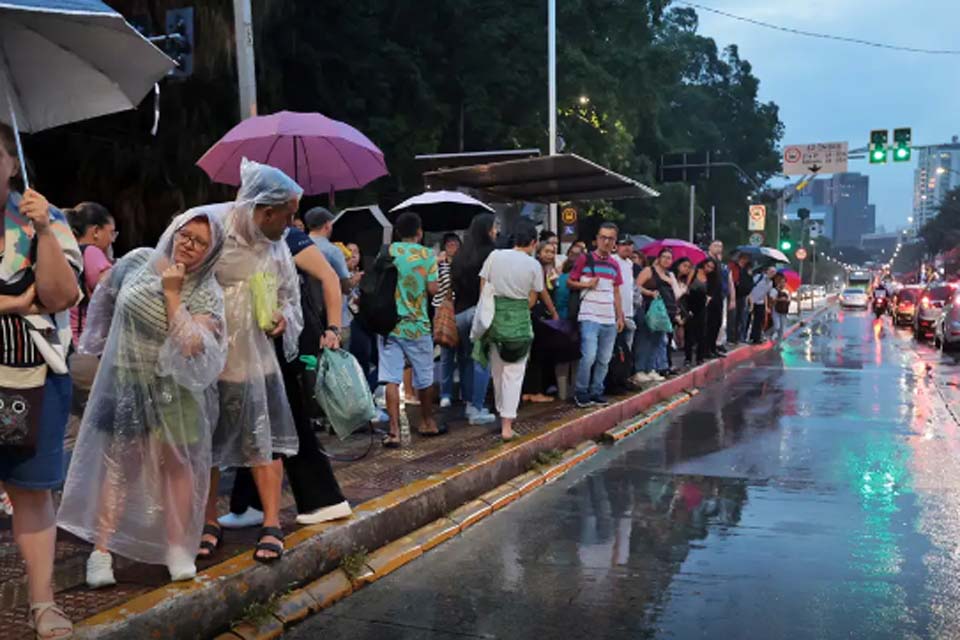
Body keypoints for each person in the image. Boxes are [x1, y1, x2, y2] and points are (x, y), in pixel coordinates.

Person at [58, 207, 226, 587]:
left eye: (201, 242)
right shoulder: (136, 260)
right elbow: (102, 299)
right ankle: (101, 551)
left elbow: (189, 345)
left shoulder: (206, 290)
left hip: (174, 387)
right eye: (186, 234)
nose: (189, 244)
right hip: (127, 378)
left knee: (177, 465)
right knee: (119, 463)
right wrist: (95, 346)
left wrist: (172, 295)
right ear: (174, 229)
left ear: (211, 252)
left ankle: (177, 547)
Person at [198, 159, 305, 565]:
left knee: (263, 441)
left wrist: (283, 320)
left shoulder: (277, 248)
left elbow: (291, 300)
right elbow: (181, 279)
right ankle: (207, 521)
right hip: (210, 363)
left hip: (256, 364)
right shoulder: (213, 228)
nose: (291, 225)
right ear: (266, 211)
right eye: (289, 216)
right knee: (204, 446)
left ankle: (272, 523)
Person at [0, 123, 82, 639]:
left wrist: (46, 230)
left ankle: (42, 602)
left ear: (12, 163)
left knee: (30, 492)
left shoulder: (40, 219)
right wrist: (13, 301)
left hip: (28, 377)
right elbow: (29, 300)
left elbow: (59, 297)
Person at [221, 223, 352, 530]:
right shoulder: (255, 239)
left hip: (285, 342)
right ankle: (248, 502)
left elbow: (330, 277)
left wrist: (333, 328)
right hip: (259, 343)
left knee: (286, 417)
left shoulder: (289, 237)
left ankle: (324, 499)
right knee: (258, 419)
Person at [473, 220, 543, 440]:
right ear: (533, 242)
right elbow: (533, 299)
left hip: (495, 322)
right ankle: (507, 425)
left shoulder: (495, 256)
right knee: (514, 375)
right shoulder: (534, 265)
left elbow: (483, 287)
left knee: (497, 372)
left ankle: (501, 415)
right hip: (520, 324)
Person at [379, 211, 442, 448]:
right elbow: (434, 289)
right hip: (417, 324)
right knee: (424, 376)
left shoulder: (388, 251)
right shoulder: (427, 255)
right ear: (419, 231)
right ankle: (427, 422)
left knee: (391, 379)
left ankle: (394, 431)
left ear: (397, 232)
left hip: (389, 324)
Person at [569, 222, 625, 408]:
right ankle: (581, 391)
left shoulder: (615, 264)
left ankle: (596, 390)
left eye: (611, 238)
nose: (606, 241)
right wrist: (586, 284)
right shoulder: (584, 259)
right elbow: (570, 282)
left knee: (604, 358)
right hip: (589, 316)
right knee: (589, 356)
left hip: (609, 317)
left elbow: (616, 291)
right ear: (597, 239)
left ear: (615, 241)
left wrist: (620, 316)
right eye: (603, 237)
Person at [449, 214, 498, 425]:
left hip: (459, 314)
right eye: (494, 227)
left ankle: (469, 403)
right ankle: (477, 408)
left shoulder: (460, 255)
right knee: (481, 361)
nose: (496, 231)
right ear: (487, 230)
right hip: (480, 312)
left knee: (465, 360)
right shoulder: (491, 254)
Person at [66, 202, 115, 346]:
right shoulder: (92, 252)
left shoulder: (68, 252)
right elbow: (114, 293)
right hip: (85, 345)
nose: (112, 240)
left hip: (68, 341)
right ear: (96, 231)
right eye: (111, 233)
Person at [633, 249, 677, 384]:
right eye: (664, 257)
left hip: (664, 311)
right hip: (648, 308)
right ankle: (639, 369)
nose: (666, 260)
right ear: (658, 258)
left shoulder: (669, 275)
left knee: (658, 341)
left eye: (669, 258)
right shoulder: (648, 270)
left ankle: (651, 368)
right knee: (645, 339)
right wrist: (649, 292)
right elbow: (636, 286)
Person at [305, 207, 361, 295]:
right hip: (329, 304)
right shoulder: (333, 250)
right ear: (327, 225)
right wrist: (356, 278)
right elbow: (346, 288)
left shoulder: (300, 245)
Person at [436, 232, 461, 409]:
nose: (452, 246)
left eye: (455, 243)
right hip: (443, 310)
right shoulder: (438, 264)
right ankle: (445, 392)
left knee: (463, 353)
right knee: (446, 355)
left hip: (460, 309)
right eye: (449, 244)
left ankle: (462, 390)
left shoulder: (464, 263)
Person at [684, 259, 716, 366]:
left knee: (702, 332)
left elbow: (711, 292)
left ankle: (699, 357)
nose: (709, 269)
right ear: (704, 264)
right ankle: (688, 358)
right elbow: (687, 287)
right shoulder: (695, 271)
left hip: (702, 305)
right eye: (708, 266)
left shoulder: (711, 278)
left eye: (712, 268)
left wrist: (708, 298)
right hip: (690, 303)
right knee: (689, 331)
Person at [703, 241, 729, 359]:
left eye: (720, 246)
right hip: (709, 295)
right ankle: (706, 349)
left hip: (719, 295)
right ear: (710, 247)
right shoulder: (706, 260)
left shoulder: (720, 263)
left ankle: (713, 348)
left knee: (717, 323)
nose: (718, 248)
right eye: (716, 246)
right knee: (709, 323)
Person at [612, 235, 636, 348]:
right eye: (623, 245)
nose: (627, 248)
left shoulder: (630, 263)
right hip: (615, 313)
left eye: (629, 245)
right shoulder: (612, 260)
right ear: (616, 246)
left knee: (627, 349)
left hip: (629, 312)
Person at [729, 252, 754, 344]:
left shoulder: (748, 269)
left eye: (746, 259)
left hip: (743, 295)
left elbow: (750, 283)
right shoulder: (734, 267)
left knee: (741, 317)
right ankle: (731, 337)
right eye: (743, 258)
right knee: (733, 317)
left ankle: (738, 337)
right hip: (734, 294)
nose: (744, 260)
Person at [749, 265, 777, 344]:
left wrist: (766, 306)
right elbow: (750, 288)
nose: (772, 274)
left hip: (760, 301)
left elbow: (765, 294)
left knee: (759, 320)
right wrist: (750, 301)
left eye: (774, 272)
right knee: (748, 319)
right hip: (751, 300)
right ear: (767, 271)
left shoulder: (770, 283)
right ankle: (745, 337)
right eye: (771, 271)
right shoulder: (758, 277)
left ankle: (756, 337)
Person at [769, 273, 790, 343]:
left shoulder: (786, 291)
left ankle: (779, 342)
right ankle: (768, 335)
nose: (783, 284)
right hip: (776, 310)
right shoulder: (774, 290)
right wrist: (779, 299)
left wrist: (787, 301)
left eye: (784, 282)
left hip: (784, 311)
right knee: (776, 326)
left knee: (782, 329)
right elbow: (771, 300)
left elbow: (788, 300)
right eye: (781, 282)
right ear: (778, 282)